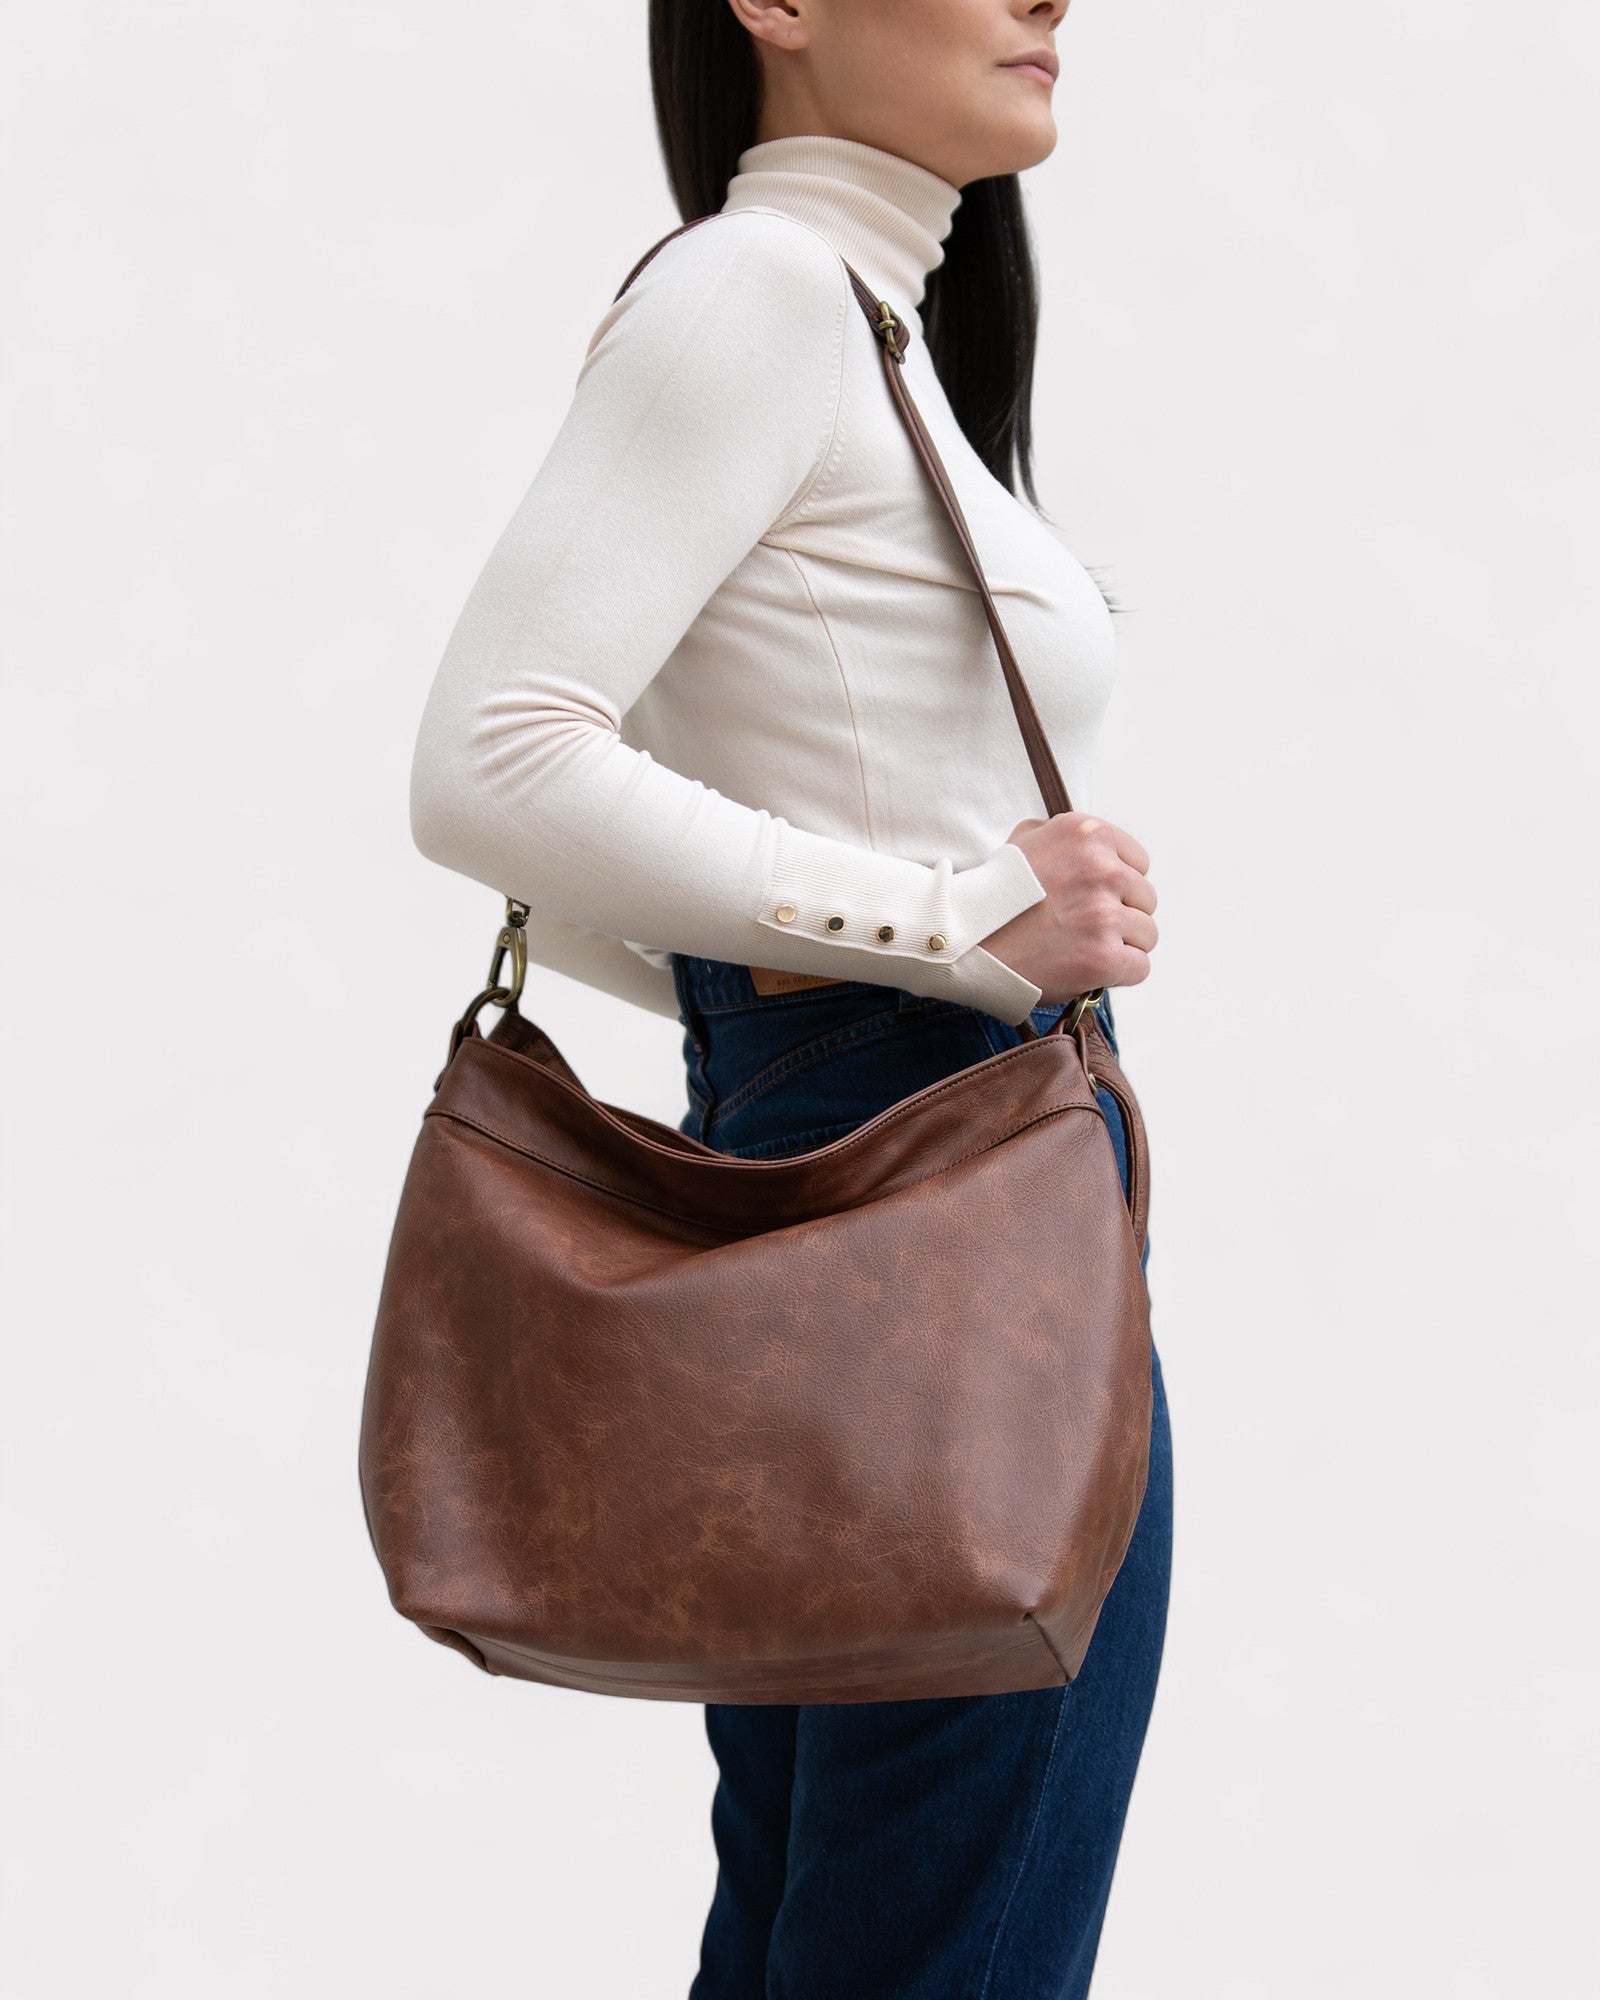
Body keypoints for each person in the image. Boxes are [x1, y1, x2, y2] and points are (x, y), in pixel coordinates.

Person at [407, 2, 1170, 1993]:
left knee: (830, 1925)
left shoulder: (863, 332)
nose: (1046, 1)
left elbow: (611, 834)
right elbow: (491, 761)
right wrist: (939, 923)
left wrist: (894, 943)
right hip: (936, 1209)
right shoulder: (758, 293)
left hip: (877, 1172)